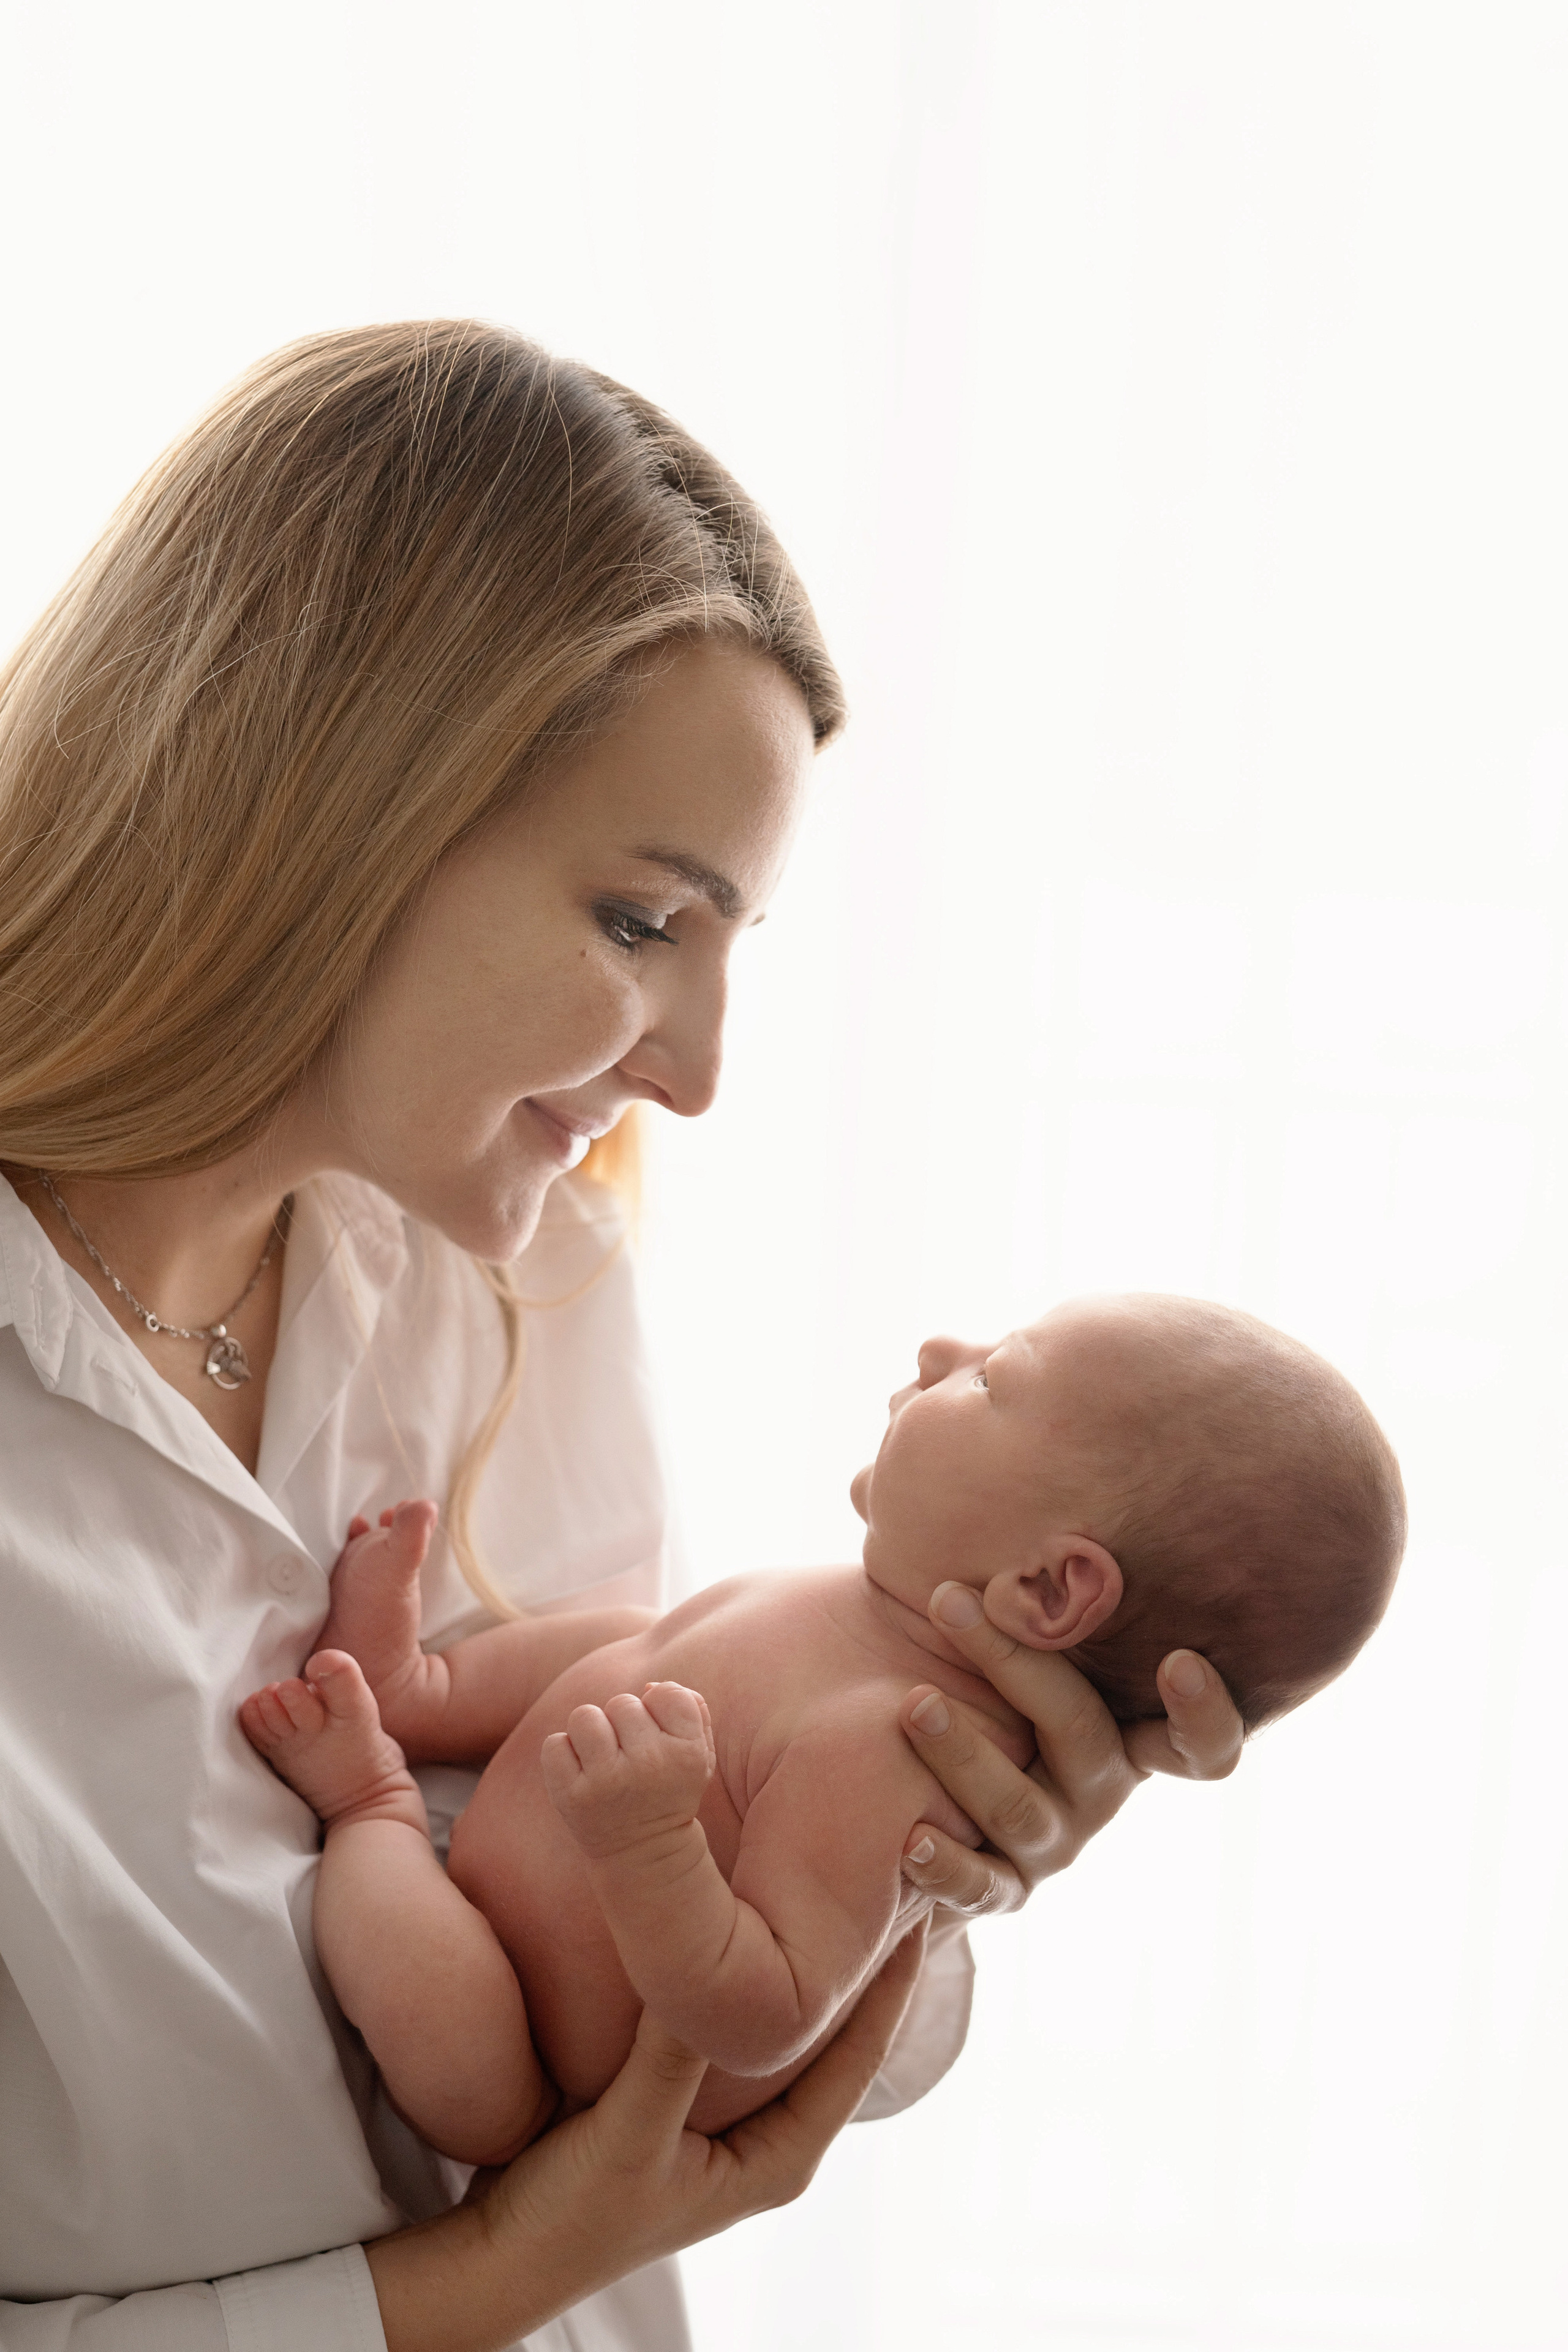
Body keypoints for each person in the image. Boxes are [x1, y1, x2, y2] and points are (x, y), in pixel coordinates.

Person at [0, 322, 1245, 2352]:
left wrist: (920, 1851)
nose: (700, 1075)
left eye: (730, 946)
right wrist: (479, 2288)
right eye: (643, 923)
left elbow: (625, 1962)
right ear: (321, 803)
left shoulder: (521, 1280)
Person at [236, 1292, 1404, 2162]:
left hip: (525, 2049)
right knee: (644, 1642)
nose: (940, 1352)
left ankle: (371, 1803)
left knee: (459, 2056)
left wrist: (651, 1844)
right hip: (542, 1864)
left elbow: (767, 2014)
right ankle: (419, 1695)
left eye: (993, 1382)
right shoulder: (852, 1610)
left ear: (1049, 1589)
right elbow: (629, 1668)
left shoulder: (894, 1745)